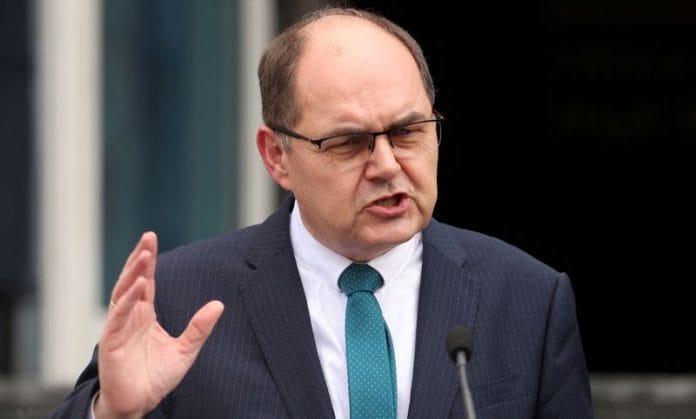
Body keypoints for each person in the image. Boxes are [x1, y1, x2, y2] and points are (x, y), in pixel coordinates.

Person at [51, 6, 593, 419]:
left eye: (408, 132)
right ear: (276, 156)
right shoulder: (180, 299)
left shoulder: (529, 299)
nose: (387, 165)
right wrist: (114, 413)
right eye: (349, 142)